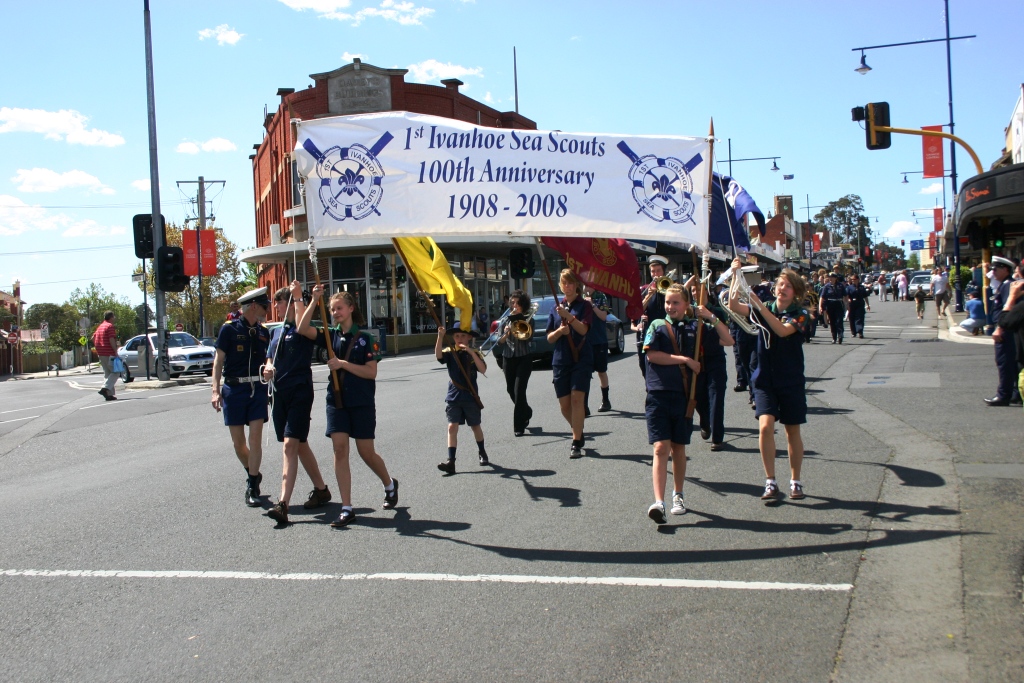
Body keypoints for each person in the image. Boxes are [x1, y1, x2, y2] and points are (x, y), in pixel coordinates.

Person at [299, 286, 398, 527]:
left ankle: (390, 484)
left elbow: (371, 372)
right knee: (340, 450)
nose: (335, 312)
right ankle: (346, 507)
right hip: (337, 402)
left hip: (361, 402)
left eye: (339, 308)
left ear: (351, 308)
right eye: (332, 309)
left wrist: (342, 364)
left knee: (366, 453)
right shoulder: (330, 334)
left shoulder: (366, 338)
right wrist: (314, 300)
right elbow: (302, 328)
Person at [730, 261, 810, 503]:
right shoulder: (764, 306)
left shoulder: (801, 315)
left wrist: (759, 307)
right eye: (780, 284)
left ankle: (795, 481)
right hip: (764, 379)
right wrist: (736, 276)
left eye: (788, 286)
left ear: (795, 292)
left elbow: (782, 330)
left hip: (790, 380)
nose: (782, 288)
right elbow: (733, 305)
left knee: (791, 431)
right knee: (765, 426)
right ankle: (770, 481)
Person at [262, 281, 332, 525]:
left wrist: (302, 298)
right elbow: (270, 357)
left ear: (289, 304)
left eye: (278, 302)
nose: (275, 307)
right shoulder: (275, 332)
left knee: (290, 445)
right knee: (299, 443)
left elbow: (303, 325)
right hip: (279, 394)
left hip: (300, 391)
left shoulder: (303, 327)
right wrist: (268, 368)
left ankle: (283, 504)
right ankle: (321, 489)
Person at [642, 283, 705, 524]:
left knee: (679, 447)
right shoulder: (657, 326)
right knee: (660, 447)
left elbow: (727, 339)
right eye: (668, 302)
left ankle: (678, 494)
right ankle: (659, 502)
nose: (671, 306)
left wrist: (707, 316)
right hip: (658, 393)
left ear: (686, 304)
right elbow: (652, 355)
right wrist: (685, 360)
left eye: (676, 302)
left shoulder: (695, 327)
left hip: (683, 395)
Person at [211, 287, 272, 507]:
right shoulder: (229, 329)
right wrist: (215, 390)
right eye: (264, 305)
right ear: (253, 306)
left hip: (256, 389)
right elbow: (218, 362)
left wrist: (268, 368)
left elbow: (268, 358)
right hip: (234, 390)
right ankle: (252, 471)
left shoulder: (265, 332)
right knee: (239, 444)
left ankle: (252, 486)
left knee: (255, 439)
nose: (267, 309)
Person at [546, 268, 593, 459]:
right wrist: (559, 332)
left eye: (571, 283)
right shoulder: (555, 308)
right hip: (560, 359)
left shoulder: (585, 306)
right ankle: (578, 431)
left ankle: (575, 442)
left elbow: (583, 330)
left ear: (577, 286)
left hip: (581, 359)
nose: (567, 287)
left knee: (576, 399)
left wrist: (569, 317)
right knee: (565, 405)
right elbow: (549, 337)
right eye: (564, 283)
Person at [436, 321, 489, 474]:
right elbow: (438, 356)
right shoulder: (449, 351)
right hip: (453, 395)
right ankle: (451, 461)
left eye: (463, 336)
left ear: (468, 338)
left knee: (475, 426)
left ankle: (482, 452)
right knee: (452, 426)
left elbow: (483, 369)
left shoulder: (474, 353)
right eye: (457, 336)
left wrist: (471, 352)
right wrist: (440, 337)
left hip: (470, 396)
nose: (459, 339)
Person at [694, 288, 735, 451]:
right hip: (696, 361)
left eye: (699, 290)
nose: (696, 294)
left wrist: (709, 316)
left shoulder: (718, 310)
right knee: (697, 397)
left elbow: (727, 337)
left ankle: (717, 438)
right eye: (693, 291)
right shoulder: (689, 310)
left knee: (716, 398)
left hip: (714, 360)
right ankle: (704, 420)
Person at [985, 256, 1023, 407]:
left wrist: (999, 329)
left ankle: (1003, 395)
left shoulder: (1008, 285)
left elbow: (1009, 307)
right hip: (1007, 328)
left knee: (1004, 362)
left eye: (996, 269)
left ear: (1005, 270)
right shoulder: (1004, 284)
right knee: (1012, 362)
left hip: (1006, 329)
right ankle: (1015, 394)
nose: (992, 272)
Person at [496, 289, 535, 437]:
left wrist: (518, 328)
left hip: (524, 358)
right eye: (512, 303)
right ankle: (527, 411)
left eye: (518, 303)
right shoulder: (504, 319)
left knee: (519, 392)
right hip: (508, 358)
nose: (514, 305)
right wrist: (506, 333)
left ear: (523, 305)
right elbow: (499, 342)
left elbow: (528, 339)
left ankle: (519, 426)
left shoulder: (529, 319)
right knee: (510, 390)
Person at [632, 255, 668, 377]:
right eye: (653, 271)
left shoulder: (670, 288)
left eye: (658, 270)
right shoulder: (644, 289)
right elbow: (637, 310)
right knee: (644, 365)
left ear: (663, 271)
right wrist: (648, 296)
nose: (655, 274)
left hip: (666, 331)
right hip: (648, 332)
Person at [584, 286, 613, 415]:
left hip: (599, 339)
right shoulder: (579, 297)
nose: (586, 286)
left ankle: (605, 400)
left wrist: (592, 304)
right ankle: (584, 405)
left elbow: (603, 317)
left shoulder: (600, 296)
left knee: (601, 371)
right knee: (584, 373)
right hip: (585, 341)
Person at [93, 311, 119, 401]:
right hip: (109, 353)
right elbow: (111, 339)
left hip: (101, 353)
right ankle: (105, 388)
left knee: (107, 373)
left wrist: (98, 348)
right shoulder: (110, 326)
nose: (114, 318)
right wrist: (115, 351)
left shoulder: (100, 327)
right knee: (116, 372)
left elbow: (93, 338)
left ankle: (109, 395)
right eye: (114, 317)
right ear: (111, 317)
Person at [819, 272, 849, 344]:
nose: (830, 278)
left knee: (839, 321)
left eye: (832, 277)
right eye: (829, 277)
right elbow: (822, 297)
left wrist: (847, 304)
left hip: (838, 303)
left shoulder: (840, 285)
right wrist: (820, 306)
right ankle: (834, 337)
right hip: (830, 304)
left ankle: (840, 336)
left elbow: (845, 296)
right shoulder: (827, 286)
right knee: (832, 322)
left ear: (836, 278)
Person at [846, 274, 871, 339]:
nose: (853, 281)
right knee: (852, 318)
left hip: (860, 304)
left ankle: (860, 332)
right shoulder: (849, 287)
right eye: (852, 280)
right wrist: (848, 301)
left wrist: (868, 305)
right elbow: (847, 296)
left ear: (858, 280)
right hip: (852, 304)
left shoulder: (862, 287)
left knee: (860, 318)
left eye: (854, 279)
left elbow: (865, 296)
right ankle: (853, 332)